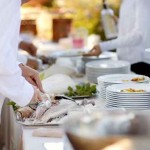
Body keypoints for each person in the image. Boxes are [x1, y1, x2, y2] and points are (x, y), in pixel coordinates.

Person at [85, 0, 150, 77]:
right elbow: (127, 32)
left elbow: (139, 36)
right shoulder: (125, 2)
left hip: (140, 64)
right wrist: (118, 23)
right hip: (125, 63)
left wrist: (104, 46)